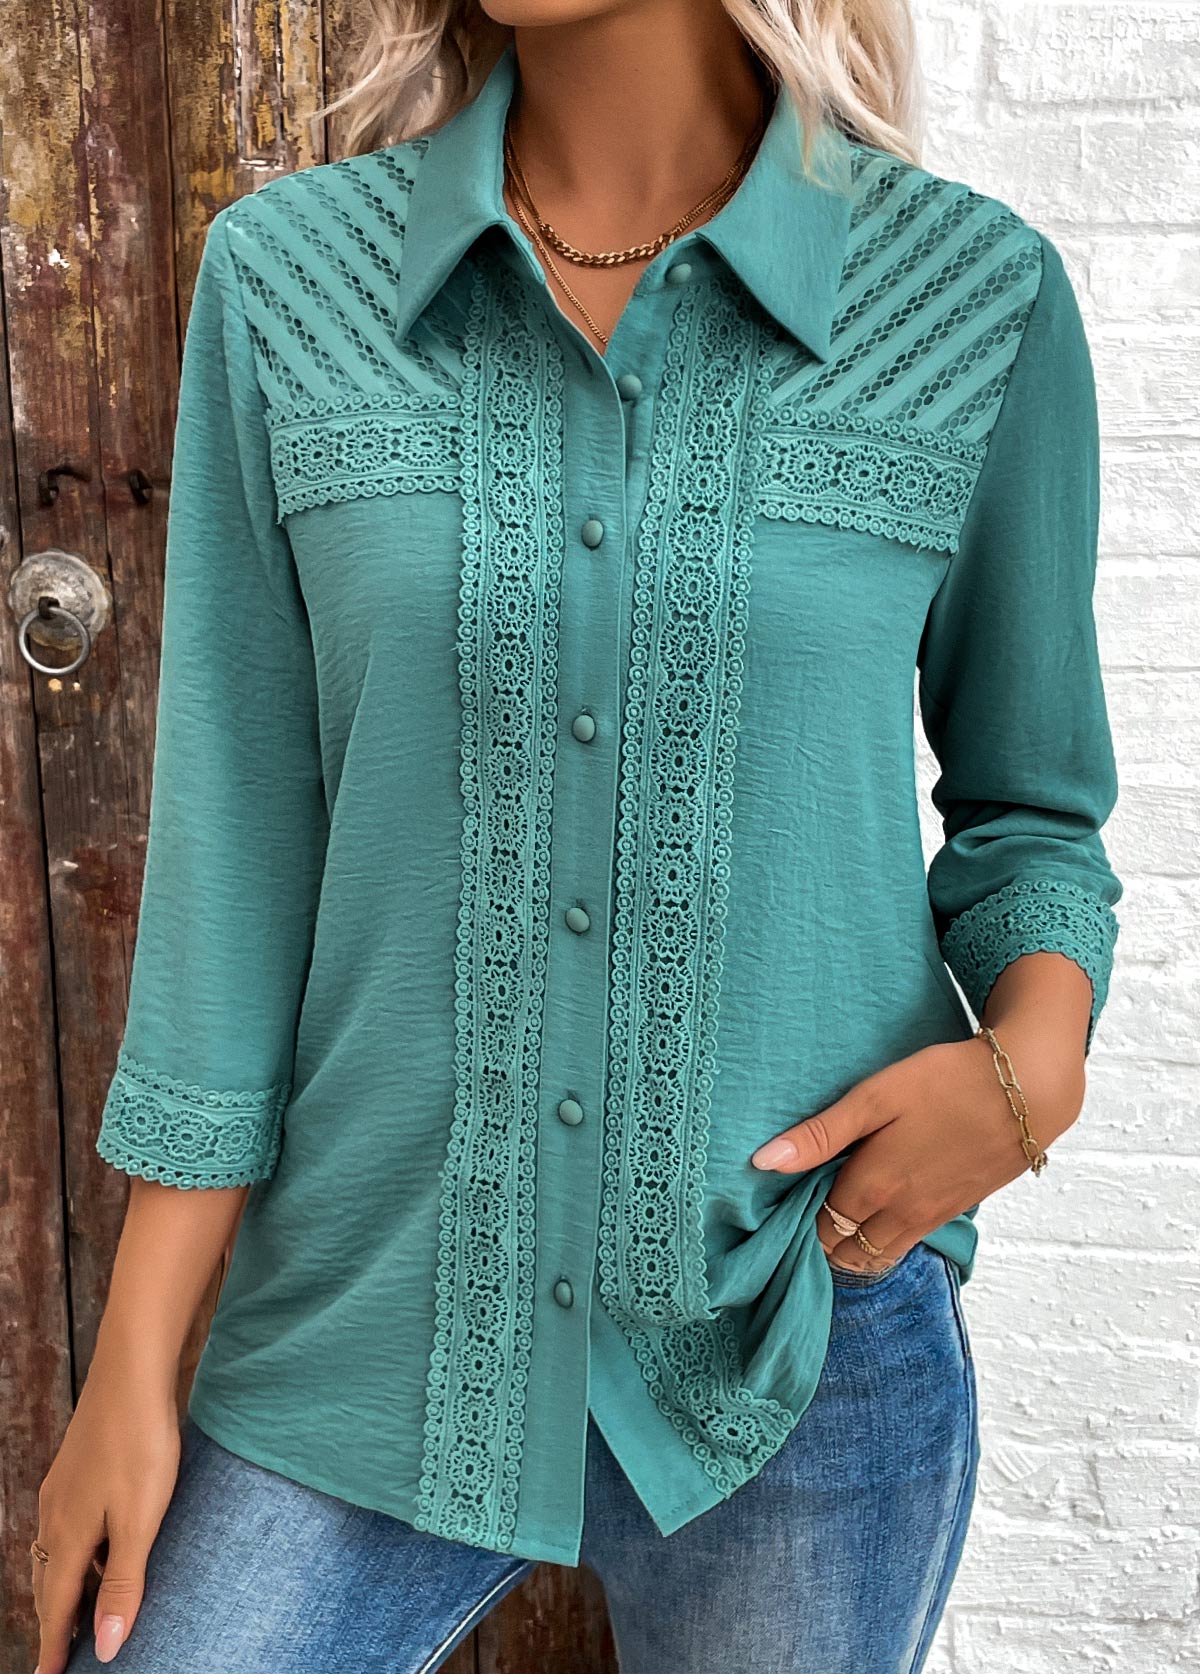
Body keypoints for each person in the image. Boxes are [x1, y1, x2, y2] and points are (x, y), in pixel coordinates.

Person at [31, 2, 1123, 1671]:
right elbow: (236, 859)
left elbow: (1031, 809)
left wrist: (1032, 1068)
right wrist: (131, 1362)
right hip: (368, 1334)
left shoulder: (969, 302)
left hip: (799, 1338)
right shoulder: (290, 284)